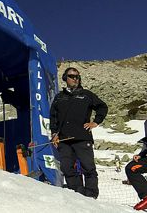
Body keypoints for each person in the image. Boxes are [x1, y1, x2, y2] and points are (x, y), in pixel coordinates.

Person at [49, 67, 107, 198]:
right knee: (67, 168)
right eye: (71, 76)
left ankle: (91, 195)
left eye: (77, 76)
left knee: (88, 167)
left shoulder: (86, 94)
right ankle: (77, 194)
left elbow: (102, 107)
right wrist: (54, 133)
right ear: (65, 78)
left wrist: (96, 122)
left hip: (82, 138)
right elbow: (53, 117)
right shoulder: (59, 97)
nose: (75, 79)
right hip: (64, 139)